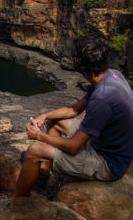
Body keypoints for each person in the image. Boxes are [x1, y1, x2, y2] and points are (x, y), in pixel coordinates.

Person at [12, 34, 133, 199]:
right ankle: (45, 170)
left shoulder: (103, 98)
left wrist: (39, 136)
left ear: (80, 65)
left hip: (108, 162)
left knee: (34, 150)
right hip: (105, 143)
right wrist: (45, 116)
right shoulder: (111, 75)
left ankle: (17, 201)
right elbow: (74, 110)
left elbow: (73, 146)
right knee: (55, 121)